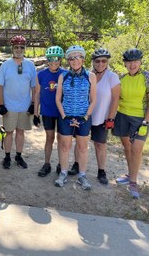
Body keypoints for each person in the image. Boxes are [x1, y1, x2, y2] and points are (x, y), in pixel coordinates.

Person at [113, 48, 149, 199]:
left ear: (140, 62)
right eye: (129, 62)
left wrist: (145, 121)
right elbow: (116, 100)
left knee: (136, 150)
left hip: (140, 118)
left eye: (136, 62)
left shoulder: (148, 78)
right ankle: (129, 174)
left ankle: (133, 182)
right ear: (125, 63)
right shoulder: (121, 78)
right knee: (127, 147)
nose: (132, 65)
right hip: (123, 116)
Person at [55, 45, 96, 190]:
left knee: (82, 147)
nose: (75, 60)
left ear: (83, 59)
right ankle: (63, 173)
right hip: (66, 116)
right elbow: (58, 99)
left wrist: (85, 117)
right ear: (68, 61)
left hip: (83, 117)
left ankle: (82, 175)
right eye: (71, 58)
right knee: (65, 146)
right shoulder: (63, 76)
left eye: (78, 57)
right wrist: (65, 116)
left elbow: (93, 100)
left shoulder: (90, 76)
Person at [0, 35, 36, 169]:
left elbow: (34, 87)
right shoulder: (5, 65)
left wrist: (33, 104)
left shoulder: (30, 65)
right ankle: (7, 156)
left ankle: (18, 156)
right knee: (9, 132)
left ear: (25, 49)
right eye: (16, 47)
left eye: (21, 47)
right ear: (12, 48)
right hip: (9, 106)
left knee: (20, 132)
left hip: (24, 106)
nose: (19, 50)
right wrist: (1, 105)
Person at [89, 48, 120, 185]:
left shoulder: (112, 77)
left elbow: (115, 99)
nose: (100, 63)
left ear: (107, 62)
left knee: (100, 144)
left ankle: (101, 171)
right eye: (97, 61)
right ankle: (77, 164)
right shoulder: (88, 75)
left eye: (103, 61)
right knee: (80, 142)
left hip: (102, 116)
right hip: (85, 115)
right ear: (93, 62)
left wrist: (111, 118)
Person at [34, 46, 66, 177]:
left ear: (60, 60)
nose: (54, 62)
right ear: (47, 60)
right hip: (47, 111)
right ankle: (47, 164)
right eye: (51, 59)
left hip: (61, 112)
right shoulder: (40, 74)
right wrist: (36, 113)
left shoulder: (65, 74)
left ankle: (61, 164)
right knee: (49, 138)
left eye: (57, 59)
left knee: (61, 138)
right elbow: (37, 94)